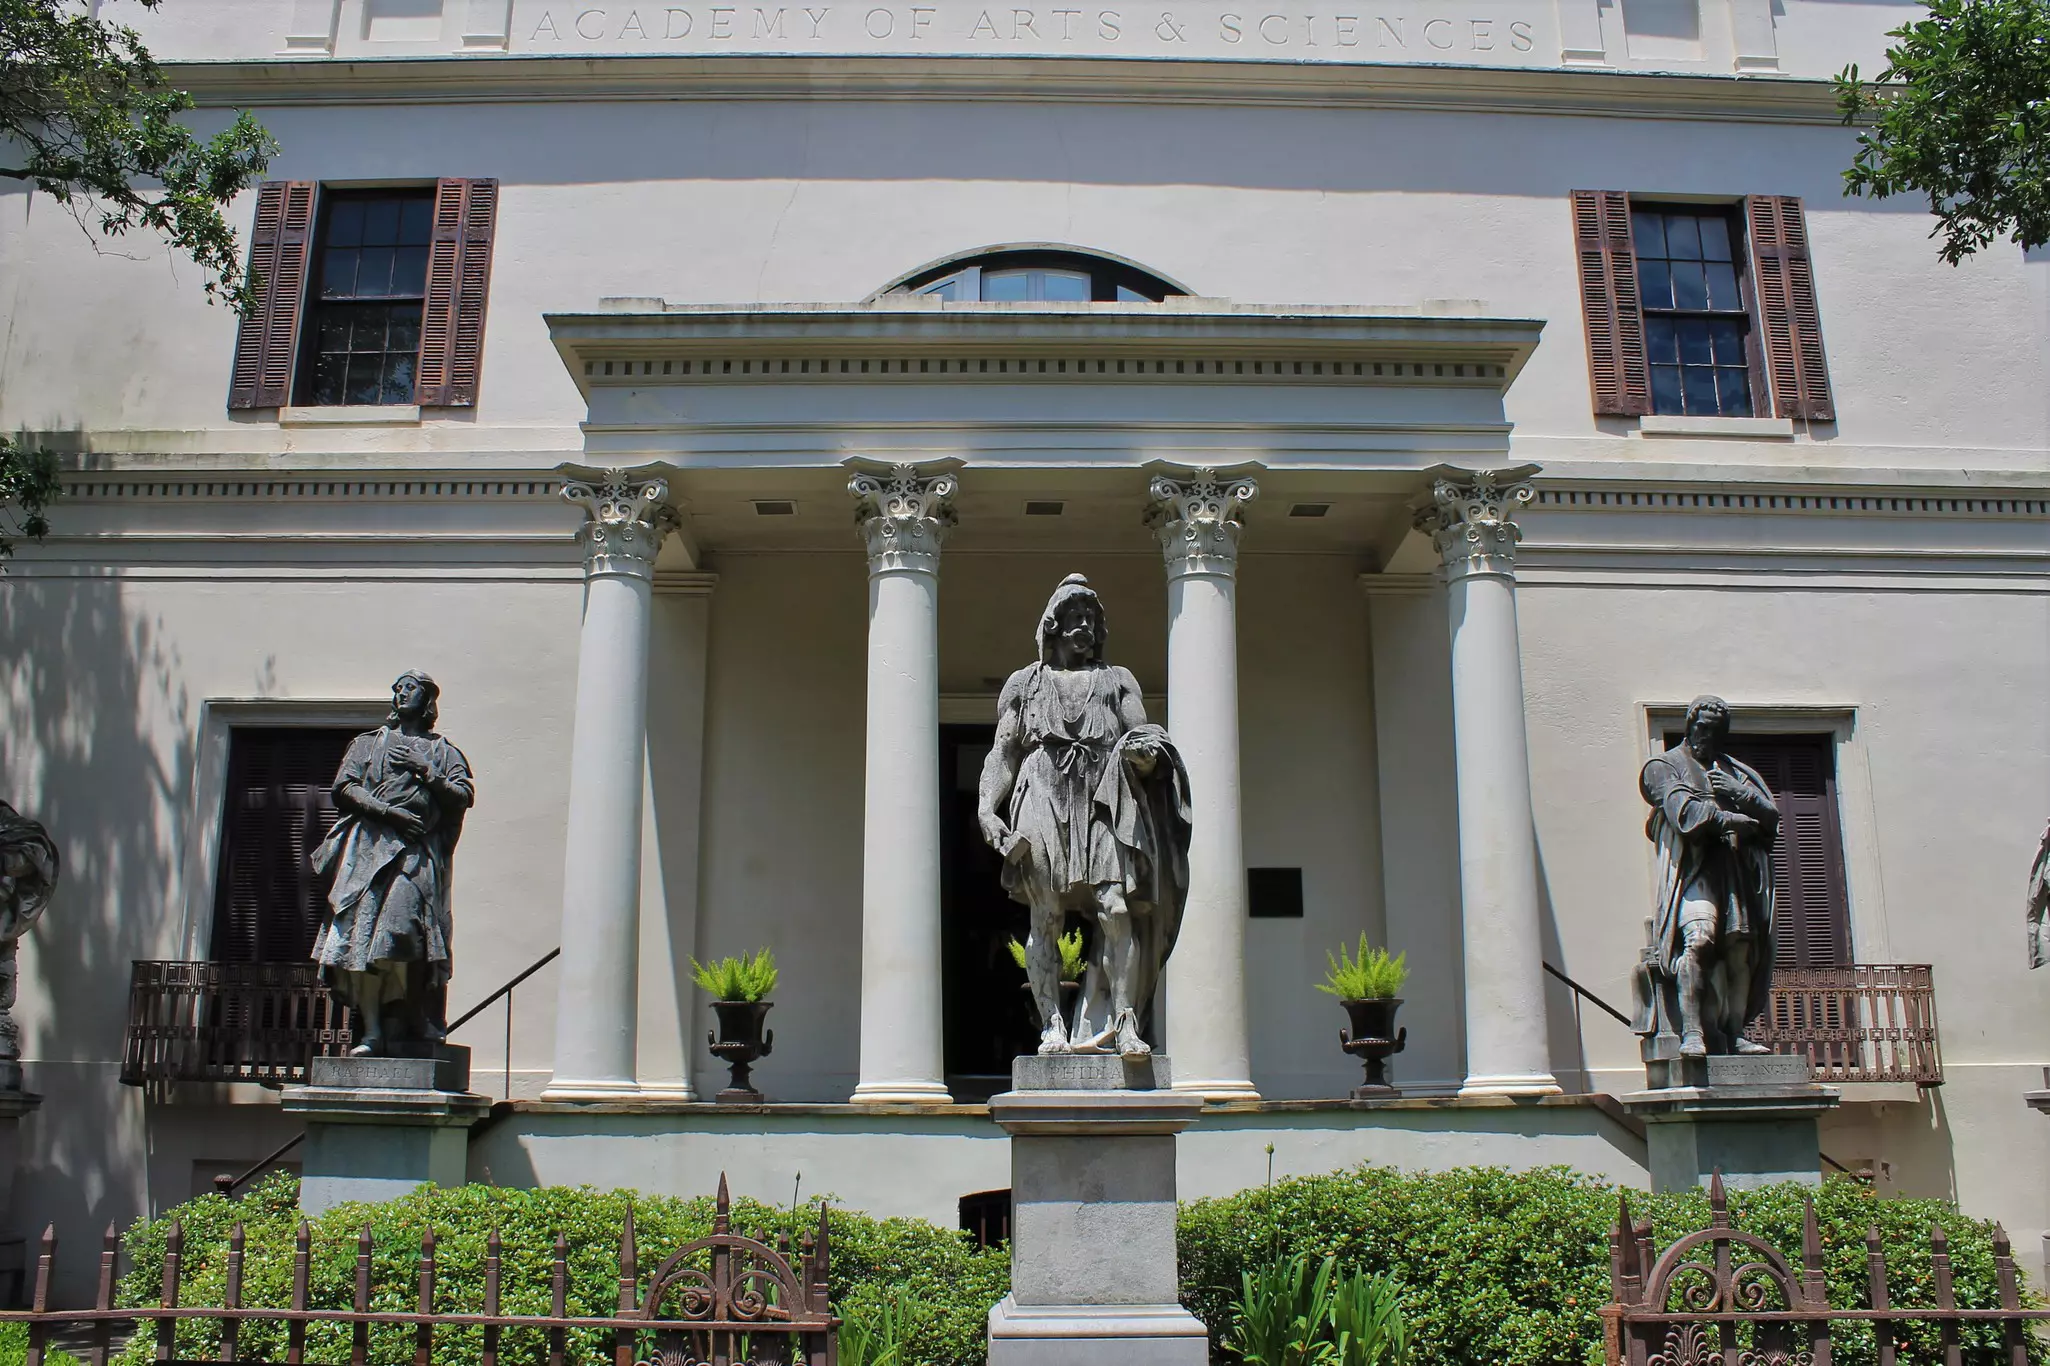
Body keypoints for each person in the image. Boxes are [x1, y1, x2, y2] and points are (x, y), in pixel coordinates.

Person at [977, 574, 1192, 1058]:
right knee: (1046, 914)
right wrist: (987, 809)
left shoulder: (1118, 681)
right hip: (1042, 789)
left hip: (1103, 794)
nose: (1085, 626)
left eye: (1091, 619)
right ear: (1053, 625)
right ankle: (1051, 1026)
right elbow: (1003, 753)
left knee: (1115, 909)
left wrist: (1145, 756)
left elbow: (1142, 739)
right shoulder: (1025, 683)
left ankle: (1125, 1023)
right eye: (1075, 617)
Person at [311, 671, 473, 1055]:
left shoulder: (443, 751)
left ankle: (411, 1014)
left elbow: (463, 795)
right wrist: (388, 812)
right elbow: (344, 788)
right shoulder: (367, 744)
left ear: (427, 699)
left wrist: (426, 770)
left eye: (410, 688)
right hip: (368, 852)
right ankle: (372, 1031)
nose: (401, 693)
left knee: (403, 933)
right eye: (398, 688)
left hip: (414, 854)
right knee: (361, 941)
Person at [1636, 695, 1780, 1060]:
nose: (1707, 736)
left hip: (1734, 871)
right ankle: (1693, 1032)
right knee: (1698, 940)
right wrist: (1731, 818)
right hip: (1692, 871)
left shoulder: (1735, 771)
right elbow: (1683, 813)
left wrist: (1741, 794)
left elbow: (1770, 819)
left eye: (1716, 731)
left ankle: (1736, 1033)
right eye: (1702, 728)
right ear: (1689, 725)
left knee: (1739, 950)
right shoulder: (1664, 766)